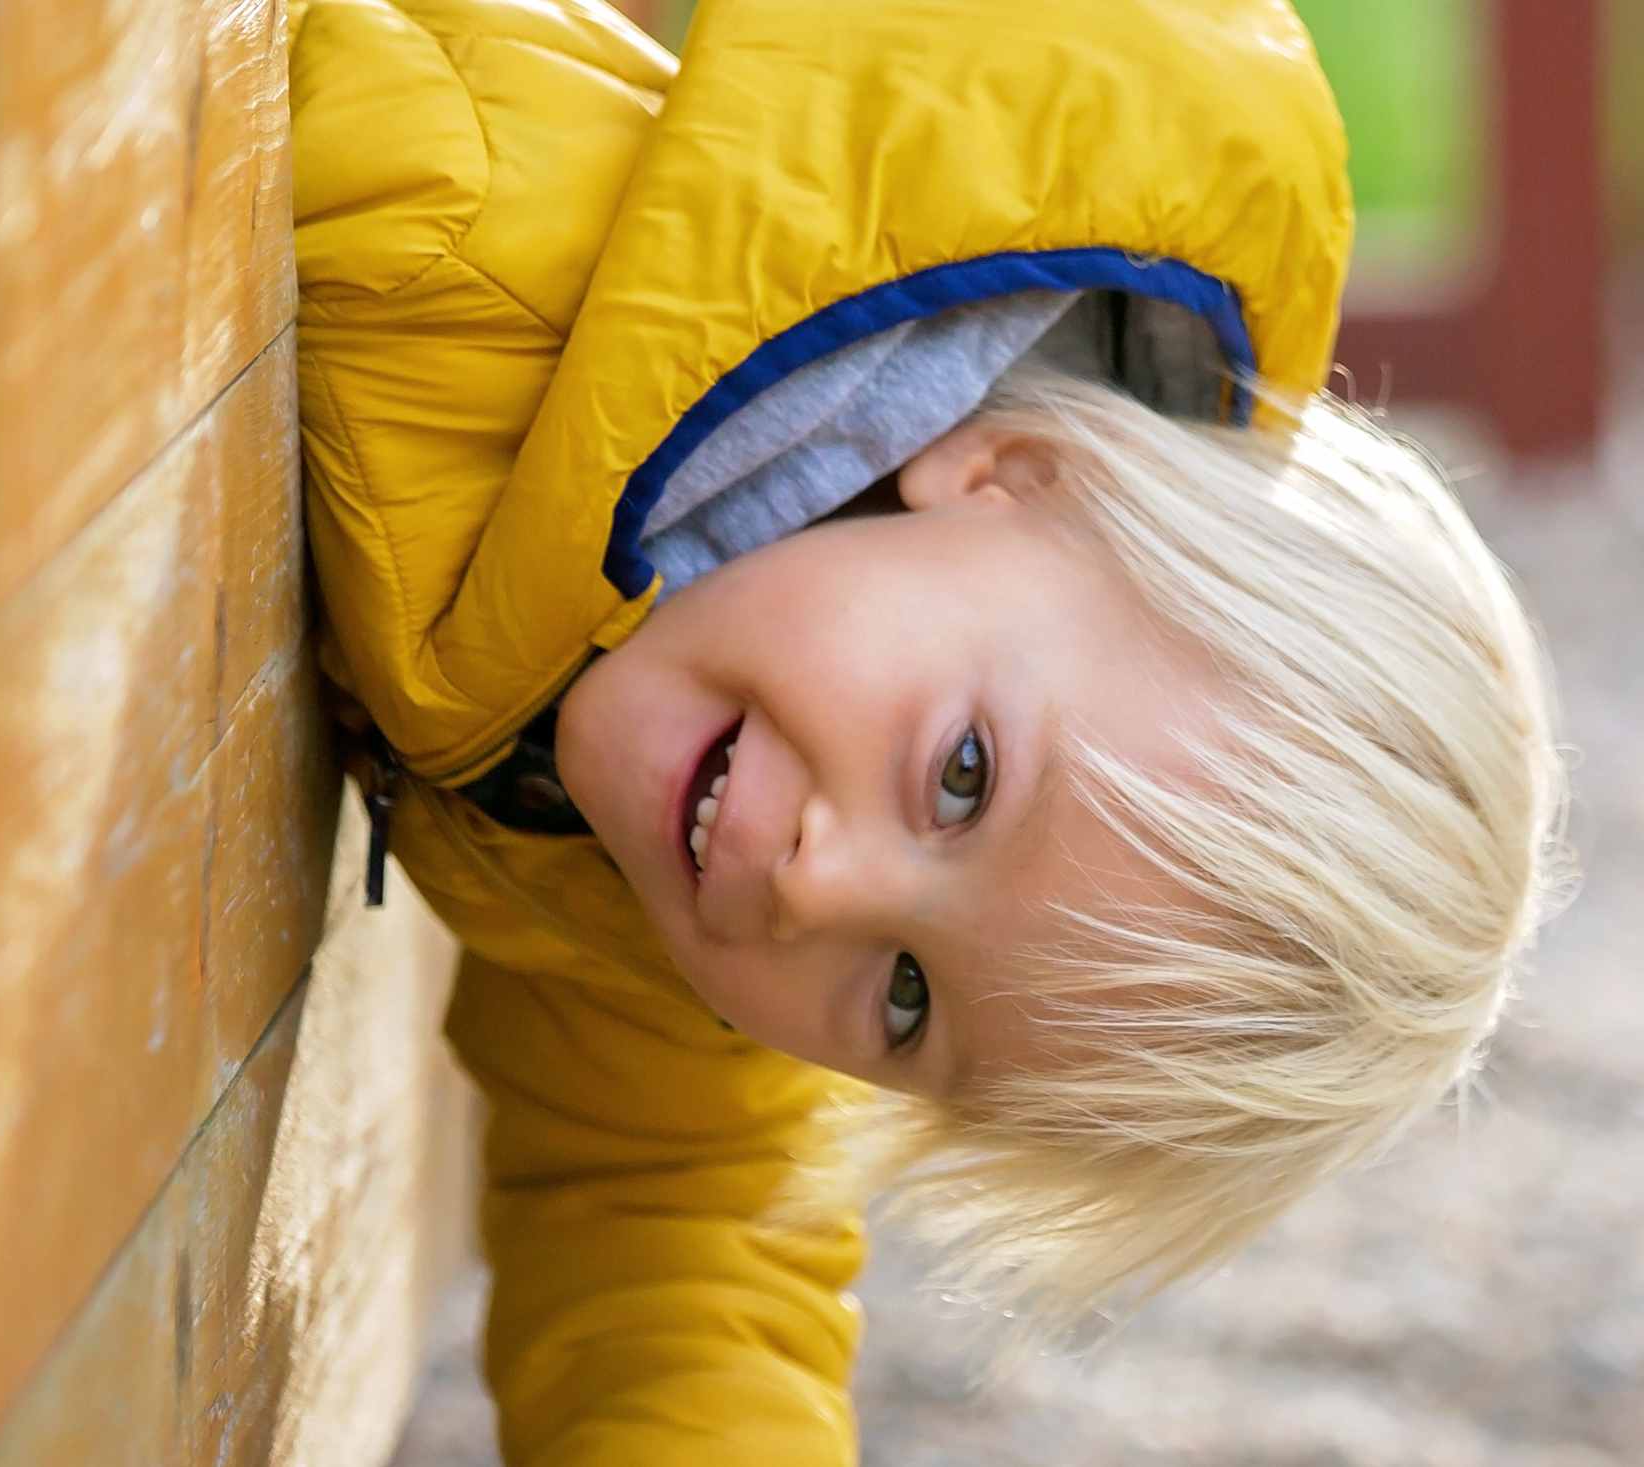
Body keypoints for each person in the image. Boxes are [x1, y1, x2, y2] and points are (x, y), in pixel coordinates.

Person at [288, 0, 1569, 1462]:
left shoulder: (688, 826)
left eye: (906, 1003)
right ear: (1008, 471)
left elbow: (675, 1215)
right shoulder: (453, 220)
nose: (820, 892)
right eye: (964, 778)